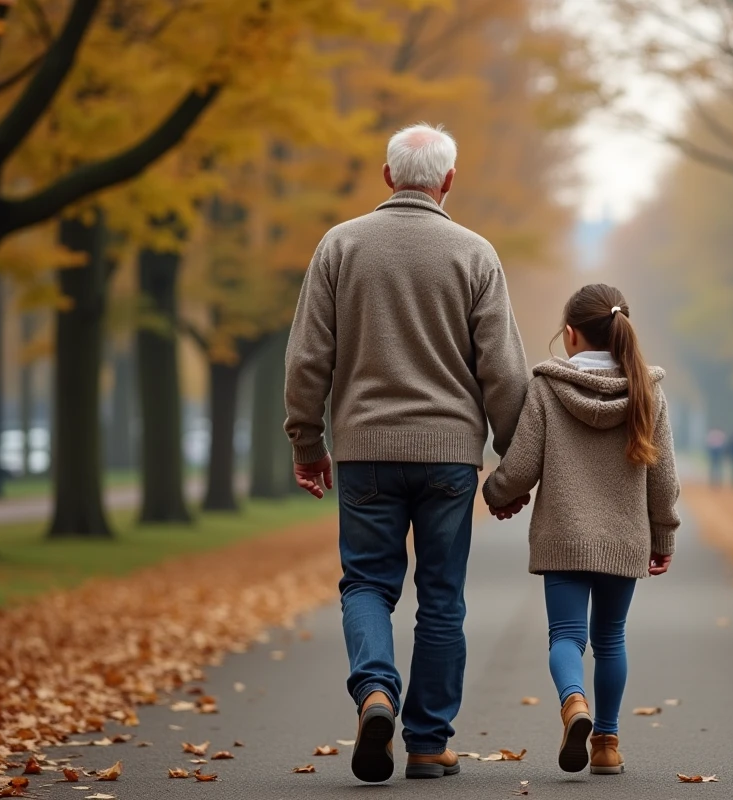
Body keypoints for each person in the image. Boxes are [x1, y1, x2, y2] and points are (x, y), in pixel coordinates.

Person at [283, 123, 530, 783]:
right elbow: (504, 372)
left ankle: (374, 692)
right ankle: (426, 743)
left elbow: (309, 356)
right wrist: (511, 465)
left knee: (367, 582)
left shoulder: (340, 246)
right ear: (448, 181)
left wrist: (308, 441)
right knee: (442, 597)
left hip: (363, 449)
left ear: (387, 176)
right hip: (450, 455)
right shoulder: (475, 254)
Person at [482, 284, 681, 776]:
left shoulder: (548, 388)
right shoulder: (646, 390)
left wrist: (494, 493)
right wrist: (664, 535)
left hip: (563, 535)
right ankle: (607, 744)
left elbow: (522, 464)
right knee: (611, 638)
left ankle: (575, 704)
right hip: (625, 537)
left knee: (566, 636)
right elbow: (665, 478)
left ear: (570, 335)